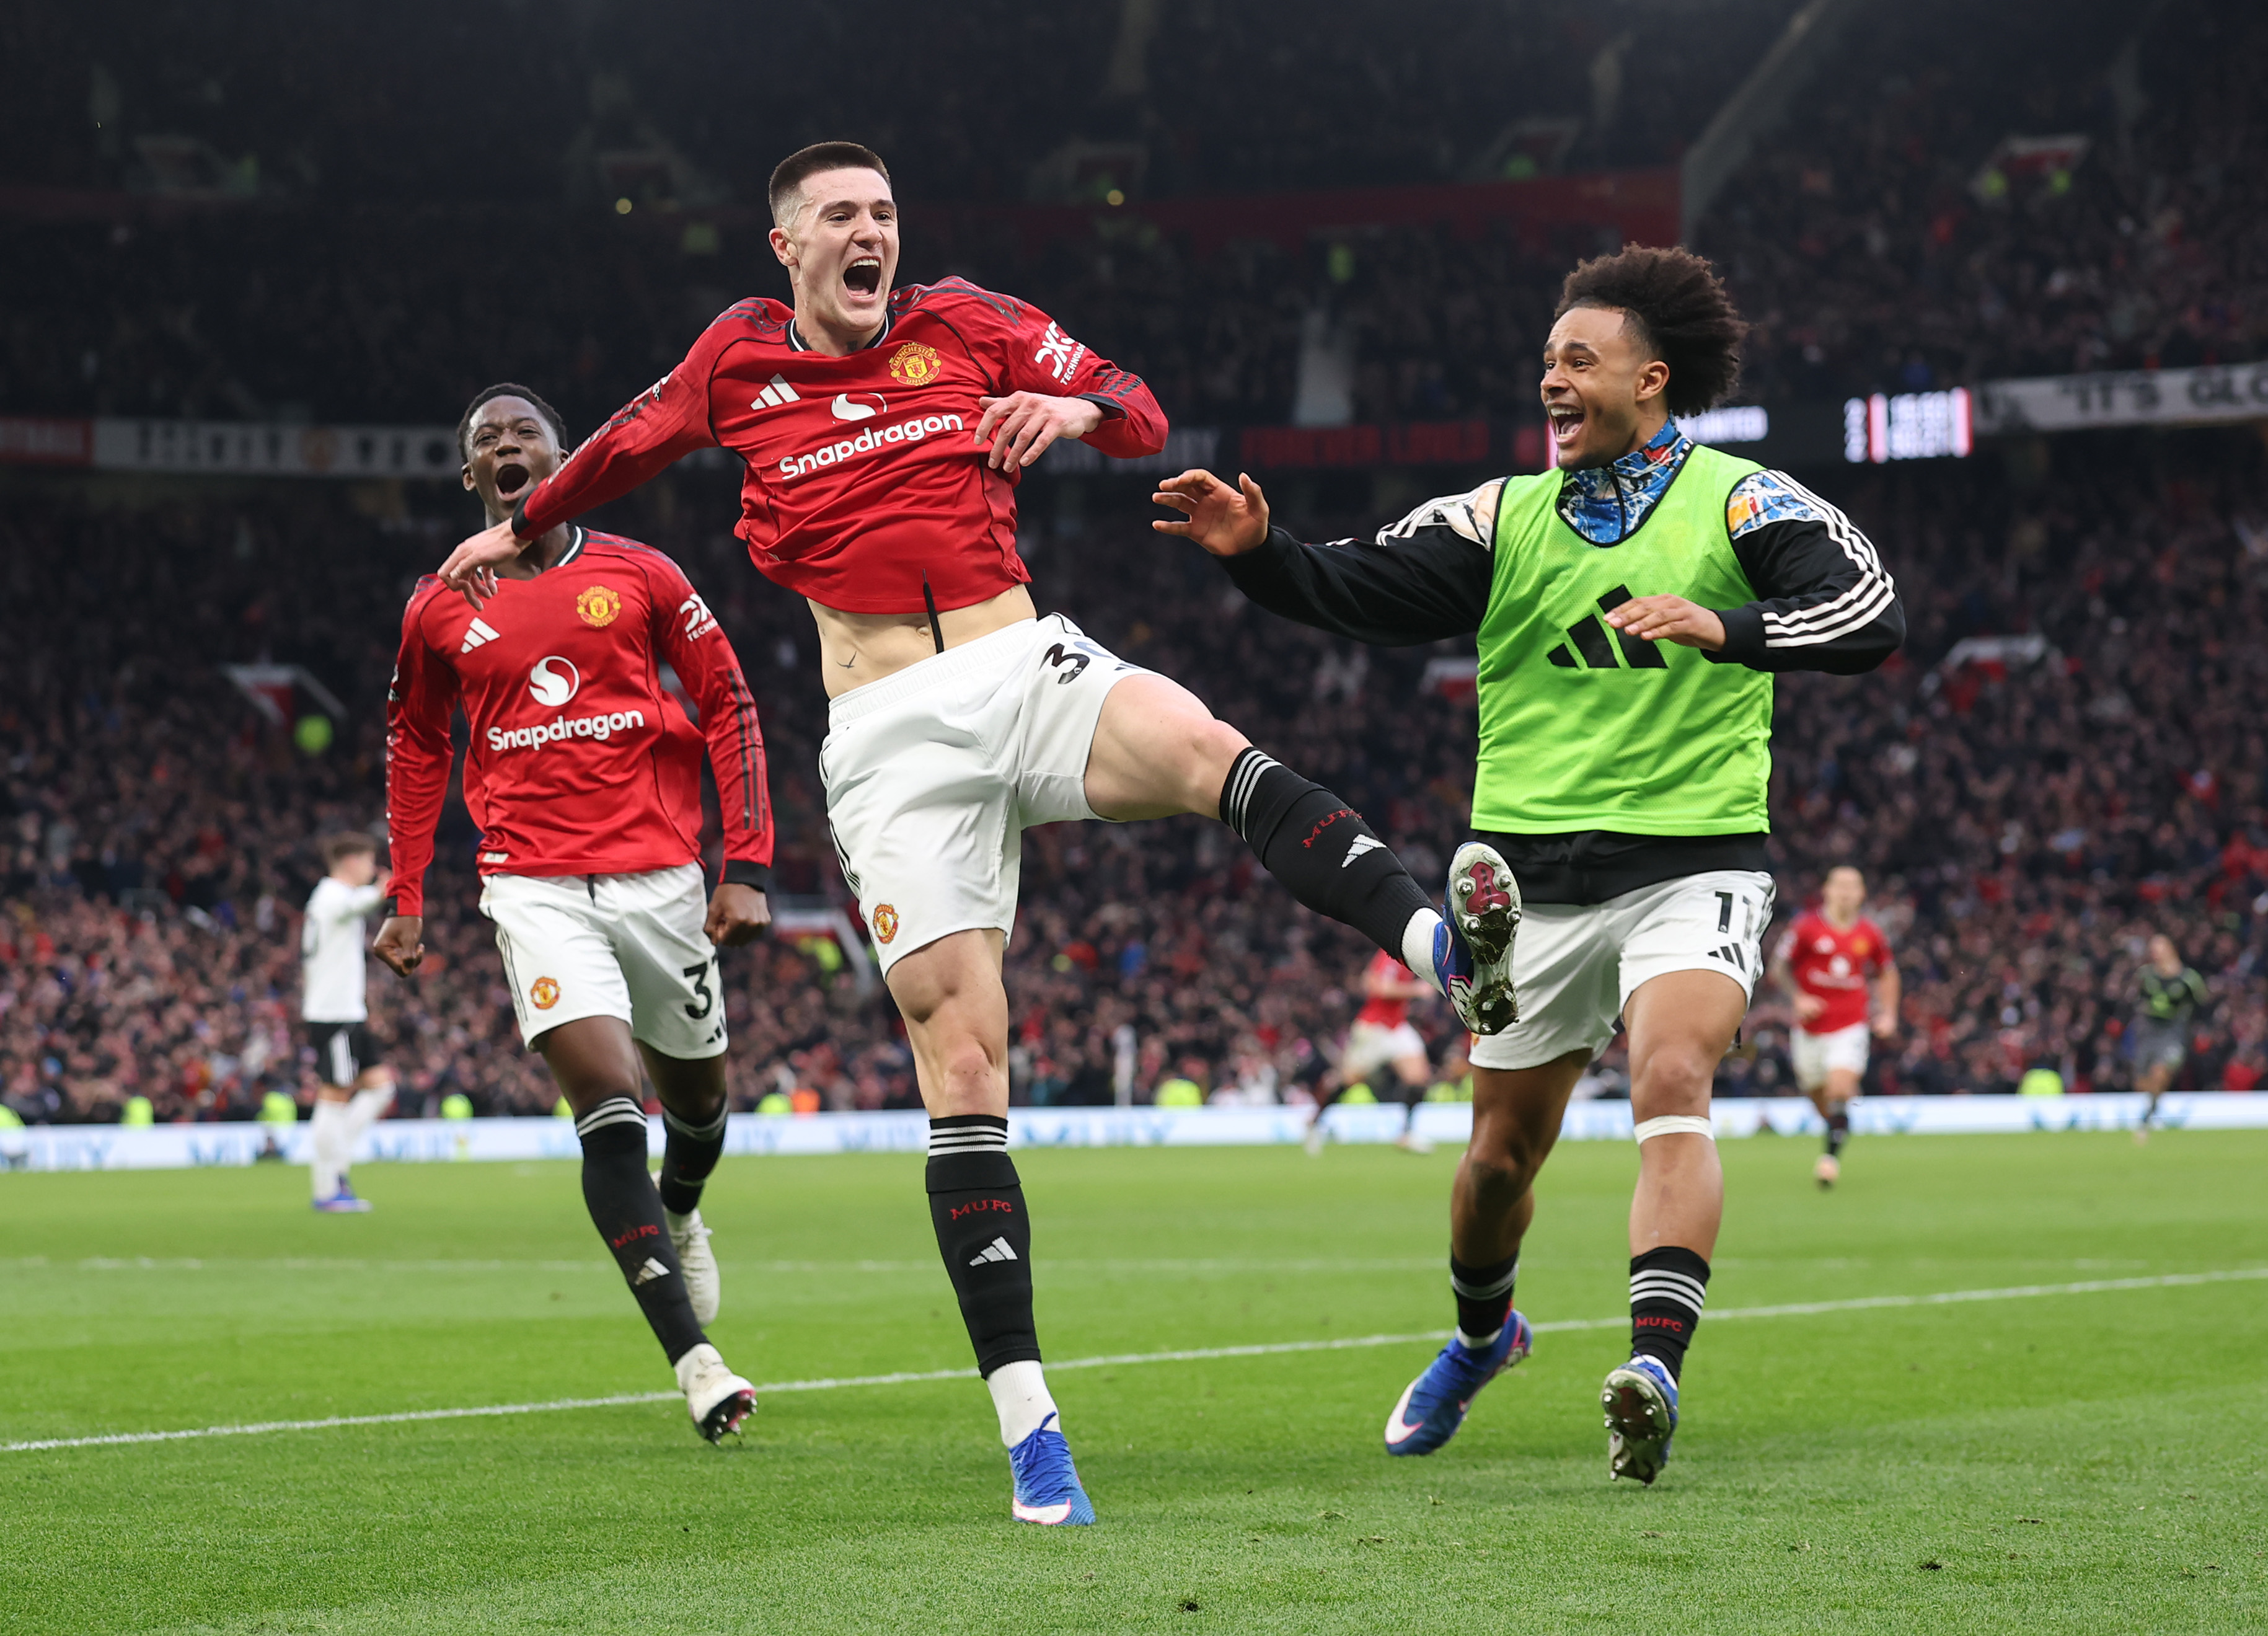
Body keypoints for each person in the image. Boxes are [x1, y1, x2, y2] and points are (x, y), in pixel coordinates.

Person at [433, 142, 1517, 1526]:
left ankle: (1440, 947)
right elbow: (622, 448)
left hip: (1017, 660)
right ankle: (1032, 1432)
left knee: (1205, 749)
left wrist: (1058, 411)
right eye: (839, 215)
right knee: (961, 1057)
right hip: (883, 731)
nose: (867, 231)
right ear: (787, 246)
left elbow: (1135, 406)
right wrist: (518, 525)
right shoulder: (735, 360)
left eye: (882, 211)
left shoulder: (966, 319)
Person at [1153, 244, 1904, 1484]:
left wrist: (1723, 625)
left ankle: (1649, 1367)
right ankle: (1479, 1332)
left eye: (1576, 360)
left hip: (1691, 856)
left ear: (1647, 380)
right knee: (1495, 1162)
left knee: (1673, 1071)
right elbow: (1356, 587)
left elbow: (1865, 610)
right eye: (1544, 361)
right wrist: (1257, 551)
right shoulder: (1497, 515)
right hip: (1531, 880)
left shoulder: (1739, 501)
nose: (1549, 379)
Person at [376, 384, 775, 1444]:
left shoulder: (642, 574)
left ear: (568, 461)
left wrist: (747, 862)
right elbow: (418, 745)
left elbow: (728, 699)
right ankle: (696, 1361)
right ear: (471, 481)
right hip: (532, 880)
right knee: (607, 1097)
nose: (506, 448)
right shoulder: (439, 606)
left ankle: (681, 1206)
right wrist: (407, 892)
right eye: (485, 444)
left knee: (697, 1105)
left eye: (525, 436)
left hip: (660, 876)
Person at [1768, 865, 1898, 1187]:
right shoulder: (1806, 928)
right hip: (1809, 1029)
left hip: (1850, 1024)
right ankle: (1839, 1127)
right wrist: (1797, 999)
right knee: (1819, 1095)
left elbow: (1888, 972)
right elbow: (1778, 968)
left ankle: (1828, 1162)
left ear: (1862, 894)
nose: (1845, 892)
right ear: (1826, 890)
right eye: (1839, 885)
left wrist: (1889, 1014)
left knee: (1840, 1088)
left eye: (1852, 886)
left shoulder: (1870, 934)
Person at [300, 832, 397, 1212]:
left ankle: (338, 1163)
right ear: (352, 862)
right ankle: (327, 1186)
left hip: (347, 1012)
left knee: (380, 1088)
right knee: (335, 1096)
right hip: (333, 1013)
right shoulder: (331, 896)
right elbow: (359, 905)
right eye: (370, 862)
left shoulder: (328, 898)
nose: (373, 870)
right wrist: (384, 888)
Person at [1306, 950, 1437, 1156]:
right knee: (1348, 1080)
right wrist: (1416, 990)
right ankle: (1314, 1123)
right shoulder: (1393, 954)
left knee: (1419, 1077)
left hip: (1397, 1026)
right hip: (1375, 1028)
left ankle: (1406, 1134)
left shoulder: (1405, 955)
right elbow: (1375, 985)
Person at [2130, 933, 2208, 1143]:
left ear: (2170, 950)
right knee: (2140, 1082)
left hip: (2174, 1031)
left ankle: (2145, 1122)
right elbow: (2136, 1000)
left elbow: (2203, 1005)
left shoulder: (2188, 979)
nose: (2154, 953)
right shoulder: (2145, 975)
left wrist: (2201, 1031)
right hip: (2149, 1031)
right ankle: (2153, 1107)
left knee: (2160, 1073)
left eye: (2159, 948)